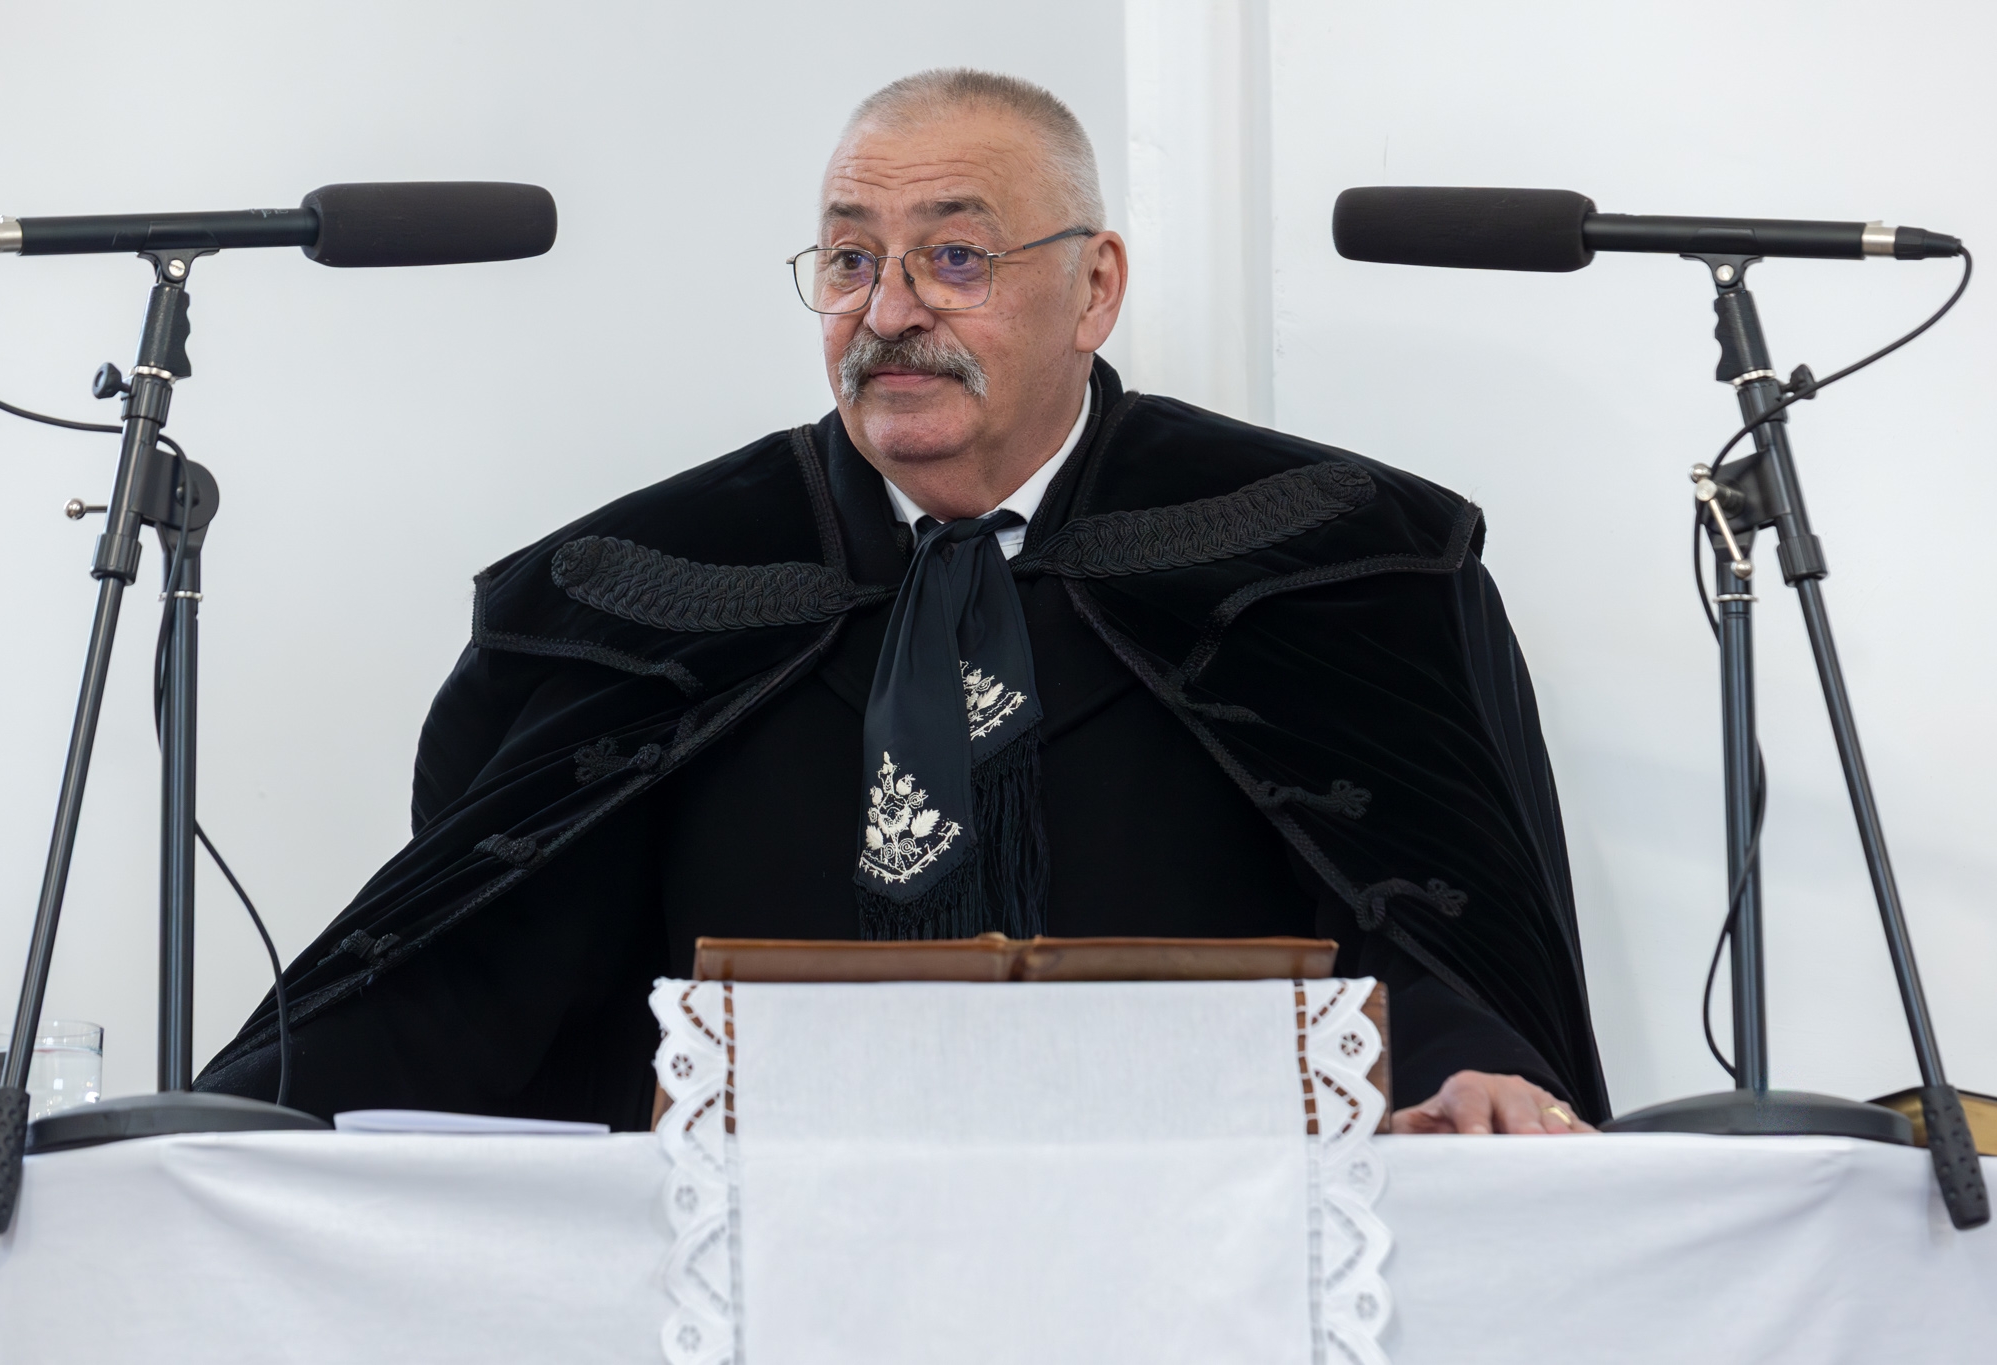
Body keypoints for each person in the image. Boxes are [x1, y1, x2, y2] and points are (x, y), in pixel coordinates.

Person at [199, 69, 1606, 1136]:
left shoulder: (1335, 562)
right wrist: (233, 1130)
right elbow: (478, 962)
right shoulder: (632, 591)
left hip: (1211, 1256)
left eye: (956, 257)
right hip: (756, 1262)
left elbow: (1430, 925)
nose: (887, 313)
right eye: (851, 259)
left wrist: (1476, 1070)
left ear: (1095, 286)